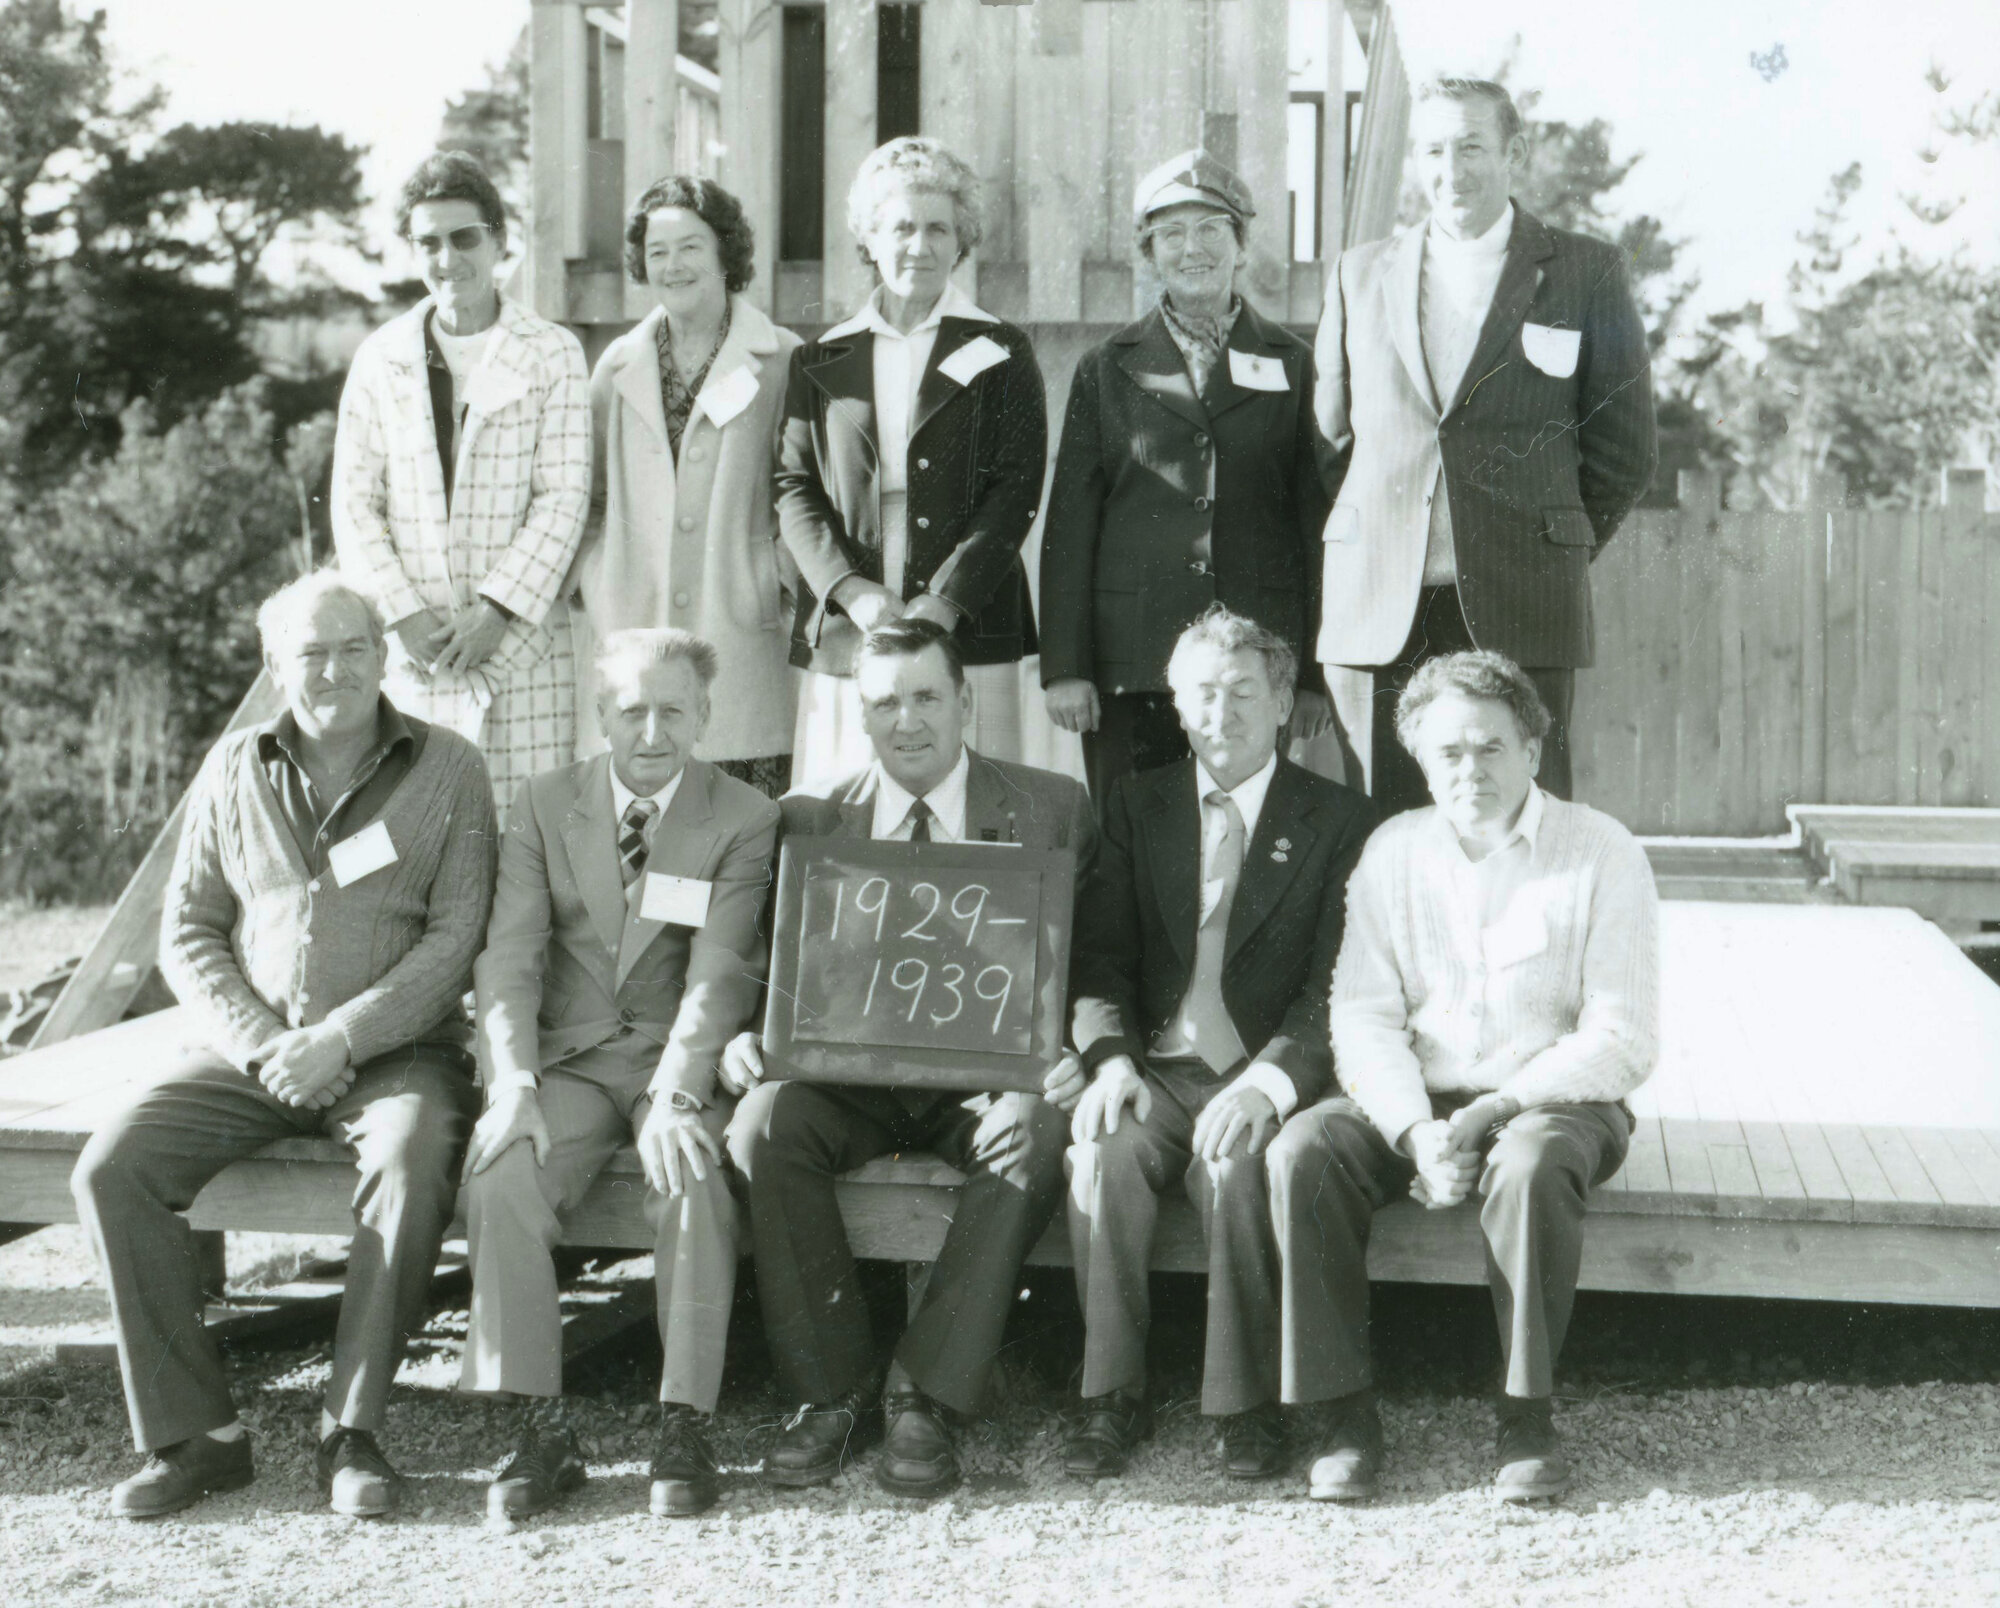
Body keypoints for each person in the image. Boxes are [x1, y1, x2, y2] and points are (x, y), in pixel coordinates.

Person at [70, 574, 497, 1520]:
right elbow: (187, 933)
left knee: (411, 1158)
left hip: (403, 1053)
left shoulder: (451, 768)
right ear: (275, 667)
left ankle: (350, 1434)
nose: (333, 669)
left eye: (353, 648)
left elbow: (458, 935)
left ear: (385, 658)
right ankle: (200, 1438)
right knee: (113, 1167)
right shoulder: (230, 767)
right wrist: (271, 1045)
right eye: (310, 652)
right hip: (252, 1053)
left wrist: (342, 1036)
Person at [1267, 649, 1659, 1503]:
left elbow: (1623, 1036)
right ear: (1419, 758)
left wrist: (1497, 1108)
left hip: (1553, 1097)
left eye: (1491, 747)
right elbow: (1362, 1015)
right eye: (1449, 752)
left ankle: (1525, 1416)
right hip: (1420, 1099)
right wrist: (1413, 1131)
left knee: (1524, 1165)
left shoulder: (1602, 850)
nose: (1470, 769)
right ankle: (1342, 1417)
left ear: (1533, 748)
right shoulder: (1392, 851)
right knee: (1303, 1151)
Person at [722, 618, 1092, 1499]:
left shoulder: (1049, 805)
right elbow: (764, 958)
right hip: (852, 1081)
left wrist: (1074, 1050)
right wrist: (742, 1029)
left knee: (1033, 1135)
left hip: (987, 1080)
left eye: (927, 696)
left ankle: (924, 1393)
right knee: (763, 1125)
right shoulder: (807, 818)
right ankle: (833, 1391)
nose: (908, 721)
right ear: (861, 714)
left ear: (966, 700)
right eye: (885, 702)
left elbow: (1101, 953)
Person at [457, 628, 781, 1519]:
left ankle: (684, 1426)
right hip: (569, 1058)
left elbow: (722, 968)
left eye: (672, 710)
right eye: (631, 709)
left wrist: (680, 1094)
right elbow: (510, 958)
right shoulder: (541, 802)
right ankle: (537, 1426)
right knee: (500, 1176)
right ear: (598, 711)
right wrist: (512, 1084)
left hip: (676, 1054)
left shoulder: (745, 818)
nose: (650, 731)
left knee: (691, 1178)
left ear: (706, 715)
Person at [1060, 606, 1373, 1483]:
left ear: (1285, 705)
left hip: (1260, 1067)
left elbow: (1335, 986)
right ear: (1177, 705)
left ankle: (1245, 1408)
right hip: (1156, 1067)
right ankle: (1109, 1397)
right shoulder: (1136, 803)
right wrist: (1109, 1058)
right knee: (1099, 1154)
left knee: (1238, 1169)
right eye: (1203, 694)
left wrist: (1271, 1082)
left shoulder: (1341, 820)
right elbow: (1100, 958)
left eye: (1244, 692)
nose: (1222, 714)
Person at [1312, 77, 1657, 814]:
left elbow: (1624, 451)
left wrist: (1539, 542)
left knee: (1521, 830)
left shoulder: (1585, 273)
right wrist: (1393, 535)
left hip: (1521, 599)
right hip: (1380, 607)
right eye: (1434, 149)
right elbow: (1330, 440)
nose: (1452, 168)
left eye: (1472, 146)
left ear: (1515, 153)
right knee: (1383, 835)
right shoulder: (1358, 273)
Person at [1040, 150, 1334, 804]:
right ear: (1149, 254)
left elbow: (1317, 524)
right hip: (1133, 661)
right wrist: (1066, 668)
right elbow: (1070, 524)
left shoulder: (1294, 363)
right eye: (1170, 234)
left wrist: (1311, 675)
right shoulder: (1104, 368)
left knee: (1244, 829)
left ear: (1241, 243)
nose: (1191, 248)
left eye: (1210, 229)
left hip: (1258, 663)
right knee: (1130, 843)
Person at [776, 137, 1047, 794]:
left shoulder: (1001, 348)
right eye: (901, 227)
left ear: (962, 242)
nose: (919, 245)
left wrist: (945, 603)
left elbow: (1016, 488)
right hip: (852, 625)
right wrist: (852, 592)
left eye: (939, 229)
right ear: (869, 238)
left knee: (972, 804)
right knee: (848, 802)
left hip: (972, 615)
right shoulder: (820, 357)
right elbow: (793, 486)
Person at [333, 150, 591, 821]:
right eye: (429, 243)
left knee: (532, 842)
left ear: (500, 240)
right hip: (419, 658)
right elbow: (354, 502)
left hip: (523, 649)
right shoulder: (380, 357)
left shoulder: (553, 350)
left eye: (464, 238)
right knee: (425, 842)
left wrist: (496, 611)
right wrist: (405, 616)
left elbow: (563, 496)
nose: (448, 259)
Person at [575, 176, 802, 798]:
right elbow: (588, 500)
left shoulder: (782, 357)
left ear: (726, 252)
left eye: (691, 247)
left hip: (742, 628)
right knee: (642, 833)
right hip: (633, 627)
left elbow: (806, 489)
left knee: (743, 825)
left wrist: (772, 573)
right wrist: (598, 581)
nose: (673, 265)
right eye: (657, 252)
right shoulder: (617, 366)